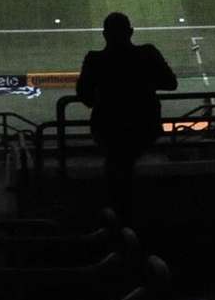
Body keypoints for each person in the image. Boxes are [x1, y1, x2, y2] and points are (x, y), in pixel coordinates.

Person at [76, 13, 177, 202]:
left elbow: (83, 94)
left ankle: (118, 211)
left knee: (117, 171)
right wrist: (143, 84)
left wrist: (103, 100)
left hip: (107, 128)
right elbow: (171, 83)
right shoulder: (148, 53)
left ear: (105, 34)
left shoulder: (94, 59)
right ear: (131, 32)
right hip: (144, 127)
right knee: (128, 171)